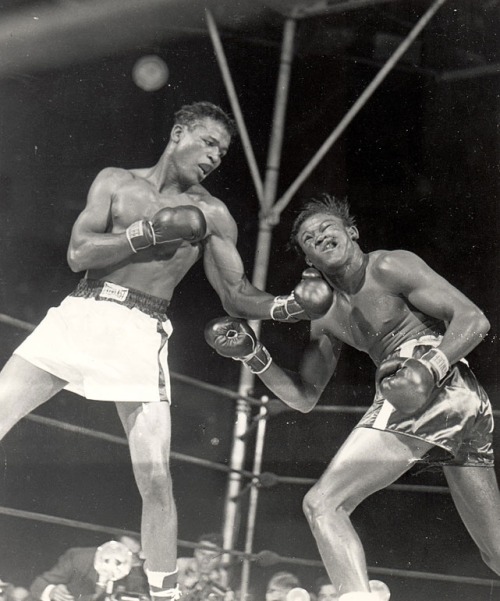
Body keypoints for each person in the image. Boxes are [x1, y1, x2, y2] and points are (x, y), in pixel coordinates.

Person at [0, 102, 333, 601]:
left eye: (223, 151)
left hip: (141, 327)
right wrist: (148, 233)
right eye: (209, 143)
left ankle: (164, 596)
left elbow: (237, 294)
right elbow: (78, 254)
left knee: (156, 479)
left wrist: (289, 307)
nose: (216, 157)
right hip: (81, 312)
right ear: (179, 134)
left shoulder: (213, 215)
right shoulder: (115, 180)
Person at [205, 194, 500, 601]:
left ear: (352, 232)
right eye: (309, 237)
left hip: (435, 380)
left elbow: (474, 320)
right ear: (309, 260)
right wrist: (253, 355)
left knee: (323, 504)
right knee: (495, 552)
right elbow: (304, 397)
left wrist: (428, 366)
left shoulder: (388, 264)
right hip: (455, 403)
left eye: (328, 227)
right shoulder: (324, 315)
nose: (320, 235)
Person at [30, 535, 148, 601]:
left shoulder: (140, 570)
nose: (128, 557)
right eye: (121, 549)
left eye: (135, 554)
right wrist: (51, 591)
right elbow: (39, 584)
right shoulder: (78, 557)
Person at [177, 533, 231, 601]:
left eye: (212, 556)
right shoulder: (180, 565)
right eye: (202, 554)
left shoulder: (221, 575)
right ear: (195, 552)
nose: (205, 560)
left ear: (220, 558)